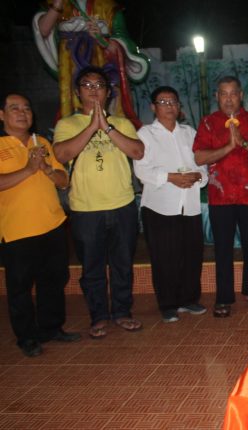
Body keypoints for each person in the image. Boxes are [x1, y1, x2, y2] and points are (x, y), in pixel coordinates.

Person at [53, 66, 144, 339]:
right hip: (85, 209)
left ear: (108, 92)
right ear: (78, 92)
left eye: (99, 85)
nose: (93, 90)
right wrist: (92, 126)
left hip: (122, 205)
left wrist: (106, 125)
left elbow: (137, 151)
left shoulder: (123, 123)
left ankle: (122, 312)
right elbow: (61, 153)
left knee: (123, 263)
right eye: (87, 85)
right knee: (91, 267)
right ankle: (98, 316)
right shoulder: (66, 125)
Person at [0, 93, 80, 357]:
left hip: (53, 224)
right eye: (15, 109)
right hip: (17, 230)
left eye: (26, 108)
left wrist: (45, 168)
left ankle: (51, 328)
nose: (23, 113)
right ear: (2, 115)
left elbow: (63, 181)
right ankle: (26, 337)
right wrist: (28, 169)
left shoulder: (42, 141)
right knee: (20, 287)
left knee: (54, 280)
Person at [193, 76, 248, 318]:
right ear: (217, 97)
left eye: (233, 93)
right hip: (221, 196)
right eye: (223, 94)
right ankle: (223, 298)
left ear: (241, 95)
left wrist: (243, 140)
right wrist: (228, 146)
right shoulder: (208, 123)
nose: (229, 98)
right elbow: (199, 158)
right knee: (223, 249)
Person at [134, 87, 208, 323]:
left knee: (191, 254)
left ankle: (189, 299)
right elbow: (142, 170)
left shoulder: (190, 132)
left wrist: (198, 176)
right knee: (164, 256)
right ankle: (167, 304)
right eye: (163, 102)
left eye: (173, 102)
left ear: (179, 106)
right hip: (160, 205)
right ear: (153, 107)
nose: (169, 106)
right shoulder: (145, 134)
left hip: (190, 204)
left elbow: (202, 165)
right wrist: (170, 177)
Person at [33, 0, 149, 125]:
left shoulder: (109, 7)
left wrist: (102, 39)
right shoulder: (57, 4)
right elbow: (42, 31)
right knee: (74, 107)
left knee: (110, 105)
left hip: (103, 62)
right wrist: (57, 6)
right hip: (70, 65)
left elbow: (122, 41)